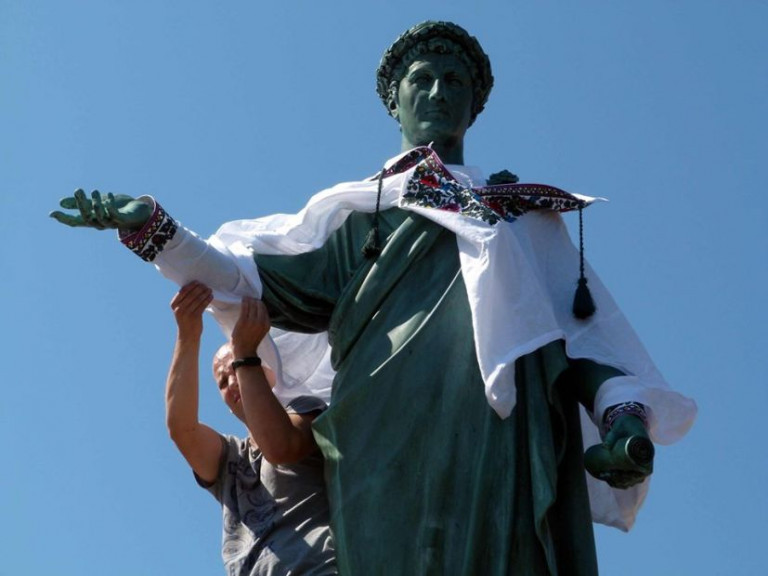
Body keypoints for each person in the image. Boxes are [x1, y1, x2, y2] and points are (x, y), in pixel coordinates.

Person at [52, 21, 696, 575]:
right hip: (378, 441)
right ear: (395, 100)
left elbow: (579, 343)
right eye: (423, 79)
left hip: (494, 437)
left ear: (474, 106)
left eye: (454, 81)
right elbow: (247, 279)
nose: (439, 91)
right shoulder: (361, 215)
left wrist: (623, 415)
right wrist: (158, 230)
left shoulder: (521, 215)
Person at [166, 281, 336, 575]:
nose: (232, 381)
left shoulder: (305, 408)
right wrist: (188, 334)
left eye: (235, 369)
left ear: (266, 369)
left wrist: (245, 352)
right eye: (222, 381)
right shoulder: (230, 459)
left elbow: (281, 447)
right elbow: (183, 429)